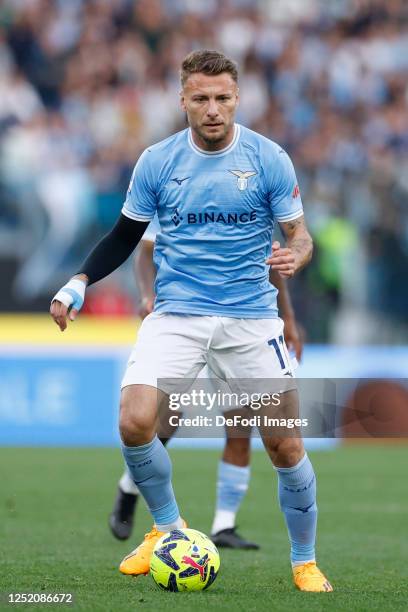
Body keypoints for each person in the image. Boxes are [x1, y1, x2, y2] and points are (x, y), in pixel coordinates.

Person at [50, 49, 332, 592]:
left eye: (222, 98)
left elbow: (300, 234)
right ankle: (166, 528)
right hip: (176, 314)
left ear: (237, 99)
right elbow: (125, 238)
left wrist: (298, 252)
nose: (212, 110)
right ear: (182, 100)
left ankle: (304, 560)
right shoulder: (157, 162)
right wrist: (79, 281)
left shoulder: (269, 158)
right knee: (135, 421)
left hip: (250, 319)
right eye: (200, 99)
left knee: (285, 447)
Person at [109, 216, 304, 550]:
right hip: (184, 318)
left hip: (241, 322)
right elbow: (144, 252)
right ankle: (130, 487)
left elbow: (271, 264)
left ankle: (224, 525)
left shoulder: (252, 196)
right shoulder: (181, 184)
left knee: (241, 424)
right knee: (166, 417)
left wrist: (287, 318)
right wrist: (146, 296)